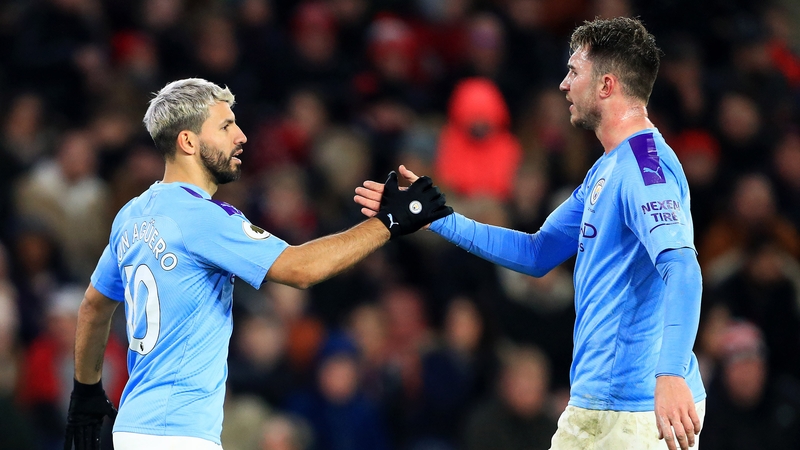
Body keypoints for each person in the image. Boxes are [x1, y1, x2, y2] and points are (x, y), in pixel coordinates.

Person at [355, 17, 706, 450]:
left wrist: (669, 374)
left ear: (607, 85)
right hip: (604, 408)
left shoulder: (644, 170)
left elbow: (683, 268)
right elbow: (537, 252)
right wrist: (438, 218)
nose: (563, 85)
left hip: (632, 414)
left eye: (574, 71)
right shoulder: (609, 167)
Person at [64, 78, 453, 450]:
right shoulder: (203, 218)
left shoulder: (132, 215)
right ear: (188, 141)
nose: (241, 136)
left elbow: (94, 306)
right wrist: (390, 222)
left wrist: (85, 392)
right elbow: (301, 269)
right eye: (226, 126)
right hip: (178, 435)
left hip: (134, 428)